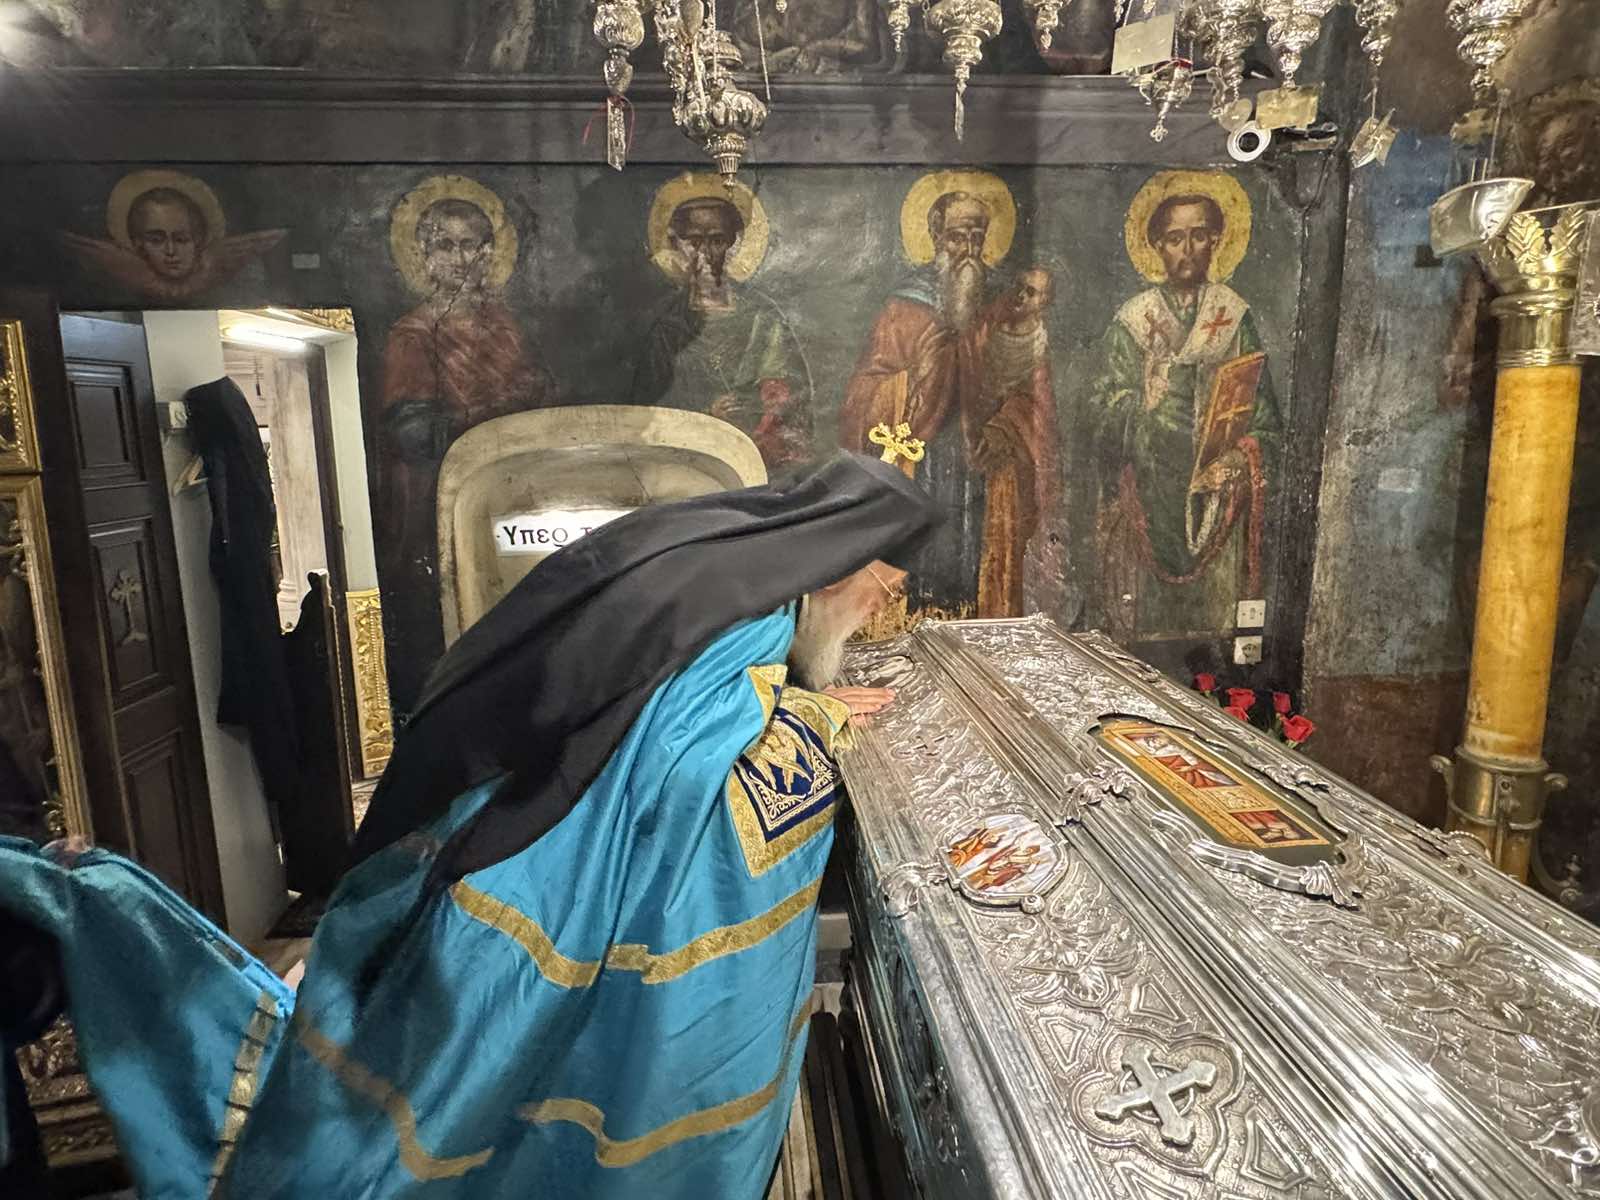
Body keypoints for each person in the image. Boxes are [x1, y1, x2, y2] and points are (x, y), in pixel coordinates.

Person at [0, 452, 939, 1199]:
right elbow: (693, 778)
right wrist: (816, 719)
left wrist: (786, 699)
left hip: (518, 803)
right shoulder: (751, 620)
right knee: (490, 1075)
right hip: (564, 875)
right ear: (843, 561)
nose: (877, 610)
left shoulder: (718, 548)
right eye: (882, 588)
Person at [1089, 192, 1280, 639]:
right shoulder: (1134, 321)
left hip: (1216, 503)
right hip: (1149, 495)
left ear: (1216, 241)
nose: (1187, 249)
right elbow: (1099, 411)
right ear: (1157, 245)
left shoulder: (1233, 317)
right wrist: (1142, 406)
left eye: (1199, 236)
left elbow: (1266, 420)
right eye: (1175, 238)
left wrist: (1238, 458)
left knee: (1213, 632)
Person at [631, 195, 813, 469]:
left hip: (757, 453)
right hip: (691, 459)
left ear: (731, 244)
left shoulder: (762, 315)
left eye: (716, 240)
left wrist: (755, 413)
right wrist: (707, 414)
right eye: (694, 242)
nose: (705, 253)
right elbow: (648, 410)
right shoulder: (667, 326)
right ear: (676, 244)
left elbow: (790, 395)